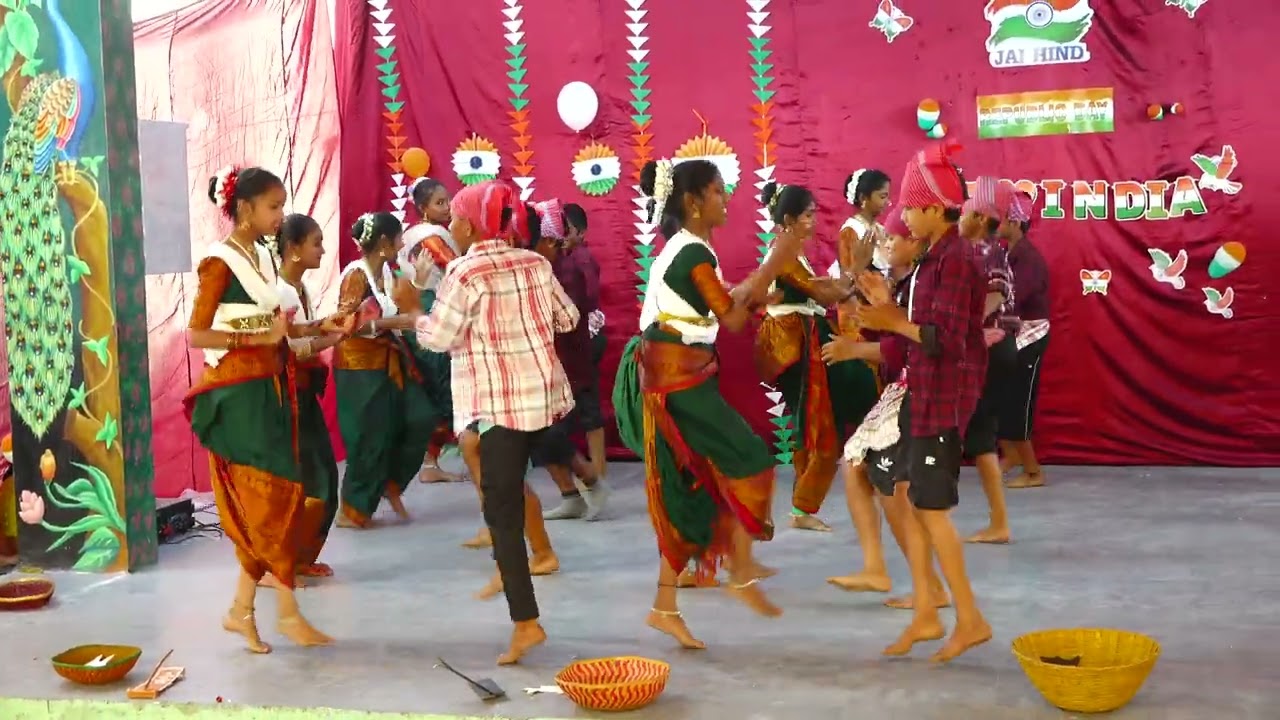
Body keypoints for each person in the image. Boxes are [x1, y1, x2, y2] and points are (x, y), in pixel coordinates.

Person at [613, 158, 805, 651]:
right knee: (751, 459)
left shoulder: (691, 250)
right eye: (718, 192)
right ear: (693, 202)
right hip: (677, 385)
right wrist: (776, 258)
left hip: (679, 379)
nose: (726, 200)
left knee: (692, 492)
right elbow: (733, 319)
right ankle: (740, 572)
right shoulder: (692, 254)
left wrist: (770, 276)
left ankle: (664, 608)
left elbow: (729, 302)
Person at [185, 166, 354, 652]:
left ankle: (243, 610)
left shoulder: (261, 255)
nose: (281, 216)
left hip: (270, 391)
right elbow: (197, 333)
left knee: (271, 501)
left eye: (281, 206)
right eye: (274, 207)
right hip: (237, 397)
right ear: (244, 209)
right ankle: (287, 614)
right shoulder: (219, 262)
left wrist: (325, 323)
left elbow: (278, 328)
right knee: (271, 499)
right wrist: (257, 337)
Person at [416, 180, 578, 666]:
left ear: (467, 223)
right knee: (499, 490)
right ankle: (510, 573)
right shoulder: (535, 263)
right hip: (543, 403)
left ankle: (526, 623)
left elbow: (439, 338)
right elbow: (567, 319)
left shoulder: (464, 272)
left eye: (455, 218)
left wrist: (414, 312)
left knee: (502, 513)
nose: (452, 225)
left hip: (501, 409)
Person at [852, 143, 992, 662]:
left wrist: (891, 319)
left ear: (935, 210)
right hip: (924, 394)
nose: (904, 219)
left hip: (941, 397)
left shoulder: (955, 260)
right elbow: (916, 333)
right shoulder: (935, 259)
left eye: (909, 208)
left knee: (932, 511)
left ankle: (971, 619)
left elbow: (947, 340)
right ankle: (929, 616)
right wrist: (886, 314)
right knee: (914, 501)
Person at [753, 182, 879, 531]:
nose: (814, 221)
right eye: (809, 215)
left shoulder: (790, 248)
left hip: (798, 341)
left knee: (812, 421)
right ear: (790, 218)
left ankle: (803, 505)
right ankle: (803, 507)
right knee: (821, 422)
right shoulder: (785, 250)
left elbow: (820, 288)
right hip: (794, 345)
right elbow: (824, 294)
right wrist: (857, 268)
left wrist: (852, 273)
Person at [333, 212, 440, 528]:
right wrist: (401, 321)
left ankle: (389, 484)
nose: (402, 243)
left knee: (420, 417)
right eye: (398, 239)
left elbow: (405, 306)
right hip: (359, 368)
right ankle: (352, 510)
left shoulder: (390, 273)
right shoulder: (357, 275)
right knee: (370, 436)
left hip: (390, 361)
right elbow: (348, 324)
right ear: (383, 243)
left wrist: (418, 285)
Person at [258, 214, 345, 589]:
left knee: (318, 476)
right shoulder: (282, 290)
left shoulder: (297, 288)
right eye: (316, 242)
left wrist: (328, 326)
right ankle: (283, 560)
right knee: (311, 479)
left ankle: (299, 556)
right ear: (292, 249)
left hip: (302, 394)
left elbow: (300, 336)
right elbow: (291, 349)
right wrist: (333, 338)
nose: (322, 249)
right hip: (288, 395)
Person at [531, 199, 610, 522]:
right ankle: (573, 492)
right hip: (555, 360)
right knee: (544, 432)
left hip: (570, 357)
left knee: (570, 422)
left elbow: (572, 317)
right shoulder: (549, 267)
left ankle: (593, 479)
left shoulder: (569, 267)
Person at [955, 177, 1018, 544]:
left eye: (963, 213)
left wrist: (962, 329)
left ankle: (997, 523)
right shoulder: (977, 249)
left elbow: (993, 297)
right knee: (979, 439)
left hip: (990, 347)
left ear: (979, 216)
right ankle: (997, 521)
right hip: (989, 347)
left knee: (978, 434)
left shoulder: (986, 251)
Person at [402, 177, 464, 484]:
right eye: (439, 203)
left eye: (448, 200)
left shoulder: (419, 234)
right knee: (442, 385)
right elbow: (456, 269)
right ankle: (430, 461)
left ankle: (430, 461)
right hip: (430, 309)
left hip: (427, 307)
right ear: (422, 208)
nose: (447, 207)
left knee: (439, 386)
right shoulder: (429, 236)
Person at [998, 191, 1050, 489]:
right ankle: (1013, 456)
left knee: (1018, 404)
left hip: (1029, 338)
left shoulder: (1028, 259)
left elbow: (1014, 300)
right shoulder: (1009, 253)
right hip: (1012, 335)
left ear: (1016, 223)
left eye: (1002, 218)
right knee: (1001, 399)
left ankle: (1033, 471)